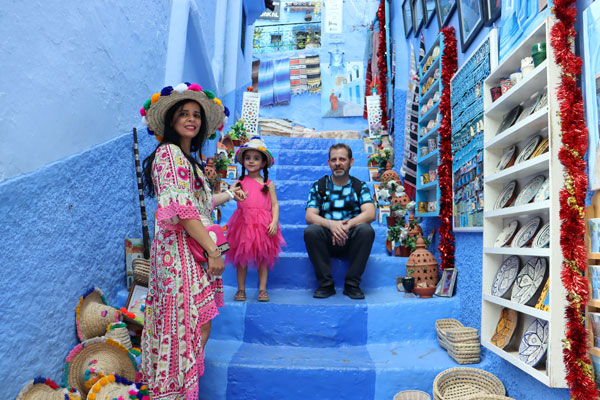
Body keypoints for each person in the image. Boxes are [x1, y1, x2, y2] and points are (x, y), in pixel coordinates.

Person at [139, 82, 245, 400]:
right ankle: (173, 391)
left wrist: (229, 194)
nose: (191, 119)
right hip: (177, 253)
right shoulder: (169, 154)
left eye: (196, 115)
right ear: (171, 120)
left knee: (194, 323)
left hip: (190, 252)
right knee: (187, 324)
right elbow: (182, 211)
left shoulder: (189, 160)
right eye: (183, 113)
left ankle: (178, 389)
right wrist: (214, 249)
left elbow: (199, 205)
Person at [304, 143, 376, 300]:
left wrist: (347, 225)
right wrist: (331, 224)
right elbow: (310, 216)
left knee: (366, 230)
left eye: (342, 159)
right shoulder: (320, 186)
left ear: (351, 162)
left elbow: (371, 213)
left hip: (352, 241)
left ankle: (352, 285)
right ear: (329, 163)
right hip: (327, 240)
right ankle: (326, 285)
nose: (337, 163)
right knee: (311, 231)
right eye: (334, 159)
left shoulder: (359, 186)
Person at [226, 136, 285, 302]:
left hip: (263, 224)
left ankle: (262, 289)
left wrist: (274, 221)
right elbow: (232, 195)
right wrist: (238, 196)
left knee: (263, 258)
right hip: (243, 222)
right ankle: (241, 289)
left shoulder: (268, 183)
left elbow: (274, 205)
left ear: (263, 163)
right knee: (241, 258)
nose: (251, 161)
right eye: (248, 158)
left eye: (256, 158)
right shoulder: (239, 182)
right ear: (243, 161)